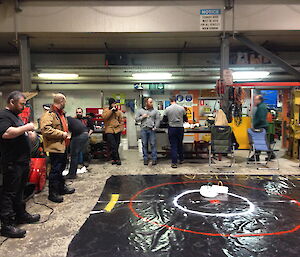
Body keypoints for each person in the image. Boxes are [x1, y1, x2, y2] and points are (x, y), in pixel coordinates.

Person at [0, 91, 40, 238]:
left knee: (20, 190)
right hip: (13, 162)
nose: (23, 107)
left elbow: (22, 133)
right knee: (9, 192)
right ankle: (7, 224)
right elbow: (6, 133)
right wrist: (26, 127)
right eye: (21, 104)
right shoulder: (4, 116)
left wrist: (30, 133)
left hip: (22, 161)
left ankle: (20, 214)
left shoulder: (16, 117)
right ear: (11, 102)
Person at [40, 93, 75, 203]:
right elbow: (45, 129)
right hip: (55, 147)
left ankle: (61, 188)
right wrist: (62, 134)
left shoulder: (60, 114)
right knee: (55, 170)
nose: (65, 104)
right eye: (65, 102)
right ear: (61, 102)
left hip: (63, 146)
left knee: (61, 168)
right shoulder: (49, 114)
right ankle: (53, 193)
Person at [163, 96, 188, 168]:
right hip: (180, 128)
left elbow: (164, 120)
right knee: (180, 144)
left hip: (172, 128)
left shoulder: (167, 109)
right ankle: (181, 159)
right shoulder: (182, 108)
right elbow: (186, 119)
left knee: (173, 145)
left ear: (170, 100)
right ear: (176, 100)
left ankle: (174, 163)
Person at [136, 98, 161, 166]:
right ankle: (145, 159)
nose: (152, 103)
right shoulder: (140, 111)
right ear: (146, 103)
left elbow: (158, 119)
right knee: (144, 145)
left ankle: (154, 159)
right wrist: (142, 117)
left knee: (153, 144)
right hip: (143, 129)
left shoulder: (155, 111)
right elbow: (136, 119)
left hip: (151, 130)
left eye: (152, 102)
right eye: (150, 102)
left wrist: (155, 127)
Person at [248, 95, 273, 161]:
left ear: (259, 100)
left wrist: (255, 125)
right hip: (262, 126)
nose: (254, 101)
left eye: (255, 100)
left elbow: (261, 118)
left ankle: (258, 156)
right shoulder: (261, 106)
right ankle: (269, 154)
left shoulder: (261, 107)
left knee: (260, 141)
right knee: (263, 141)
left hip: (261, 126)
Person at [102, 98, 124, 165]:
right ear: (110, 104)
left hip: (117, 130)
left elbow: (121, 120)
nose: (114, 105)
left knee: (116, 145)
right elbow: (104, 117)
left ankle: (114, 159)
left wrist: (121, 127)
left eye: (115, 103)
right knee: (113, 145)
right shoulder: (106, 110)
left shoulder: (118, 112)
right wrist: (111, 111)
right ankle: (118, 159)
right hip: (109, 129)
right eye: (113, 103)